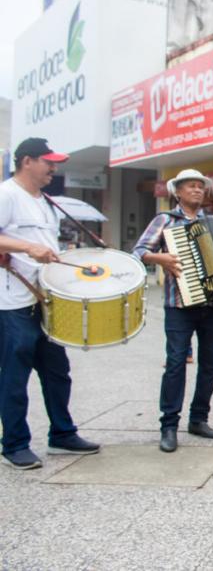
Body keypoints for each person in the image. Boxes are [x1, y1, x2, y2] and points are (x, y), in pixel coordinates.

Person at [0, 138, 100, 470]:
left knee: (58, 371)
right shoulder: (7, 194)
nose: (53, 168)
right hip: (12, 301)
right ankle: (14, 443)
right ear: (27, 161)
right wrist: (27, 247)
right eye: (48, 161)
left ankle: (62, 432)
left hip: (46, 299)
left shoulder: (45, 201)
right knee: (15, 375)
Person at [134, 169, 213, 452]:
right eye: (191, 186)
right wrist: (159, 257)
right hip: (179, 305)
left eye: (201, 186)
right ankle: (169, 425)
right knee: (175, 364)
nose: (198, 190)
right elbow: (138, 251)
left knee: (210, 365)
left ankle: (199, 419)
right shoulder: (165, 219)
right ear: (178, 192)